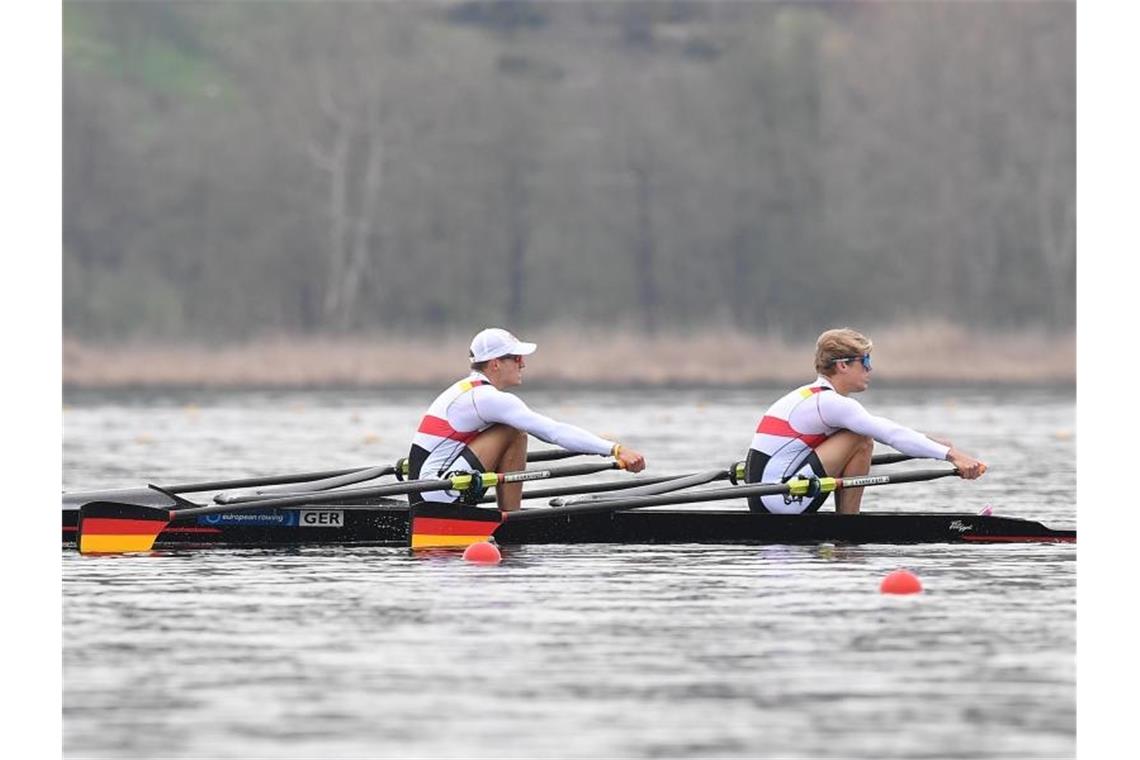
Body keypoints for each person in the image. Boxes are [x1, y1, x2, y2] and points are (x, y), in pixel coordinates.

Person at [745, 327, 986, 514]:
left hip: (765, 498)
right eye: (865, 362)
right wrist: (951, 456)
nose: (870, 369)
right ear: (842, 366)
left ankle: (847, 522)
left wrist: (940, 447)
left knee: (859, 435)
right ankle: (849, 525)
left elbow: (896, 433)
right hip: (780, 500)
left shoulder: (809, 396)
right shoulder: (830, 404)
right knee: (861, 439)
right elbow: (890, 434)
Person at [406, 327, 646, 511]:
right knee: (515, 431)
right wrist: (615, 449)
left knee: (513, 430)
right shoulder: (486, 398)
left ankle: (509, 515)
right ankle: (511, 520)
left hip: (424, 493)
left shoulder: (466, 389)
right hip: (435, 495)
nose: (524, 364)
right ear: (495, 364)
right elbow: (553, 432)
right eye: (517, 358)